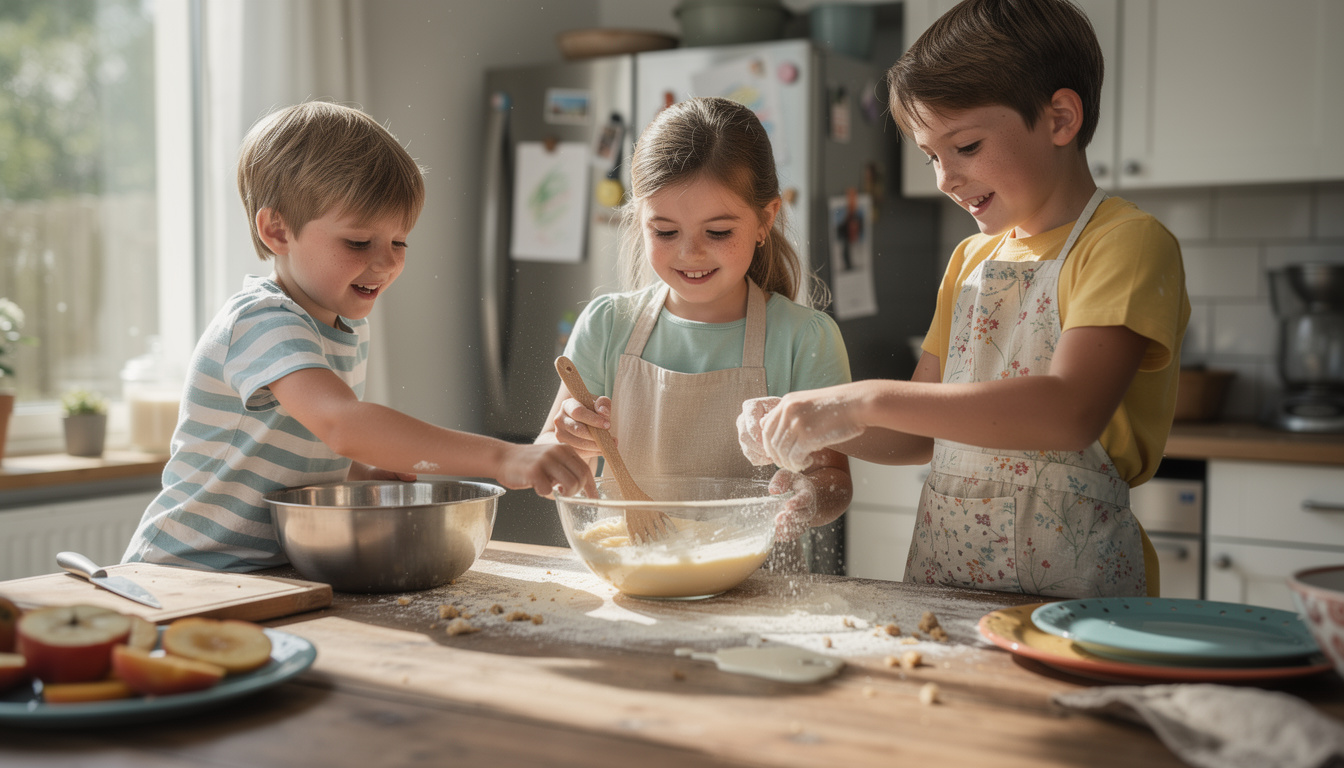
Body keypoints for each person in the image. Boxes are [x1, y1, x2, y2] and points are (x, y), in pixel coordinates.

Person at [740, 0, 1189, 599]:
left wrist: (859, 398)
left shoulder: (1125, 243)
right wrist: (810, 421)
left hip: (1080, 602)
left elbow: (1068, 412)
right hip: (947, 591)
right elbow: (923, 430)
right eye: (931, 156)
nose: (943, 179)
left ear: (1060, 118)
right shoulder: (971, 263)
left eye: (966, 146)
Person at [124, 101, 594, 572]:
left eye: (399, 242)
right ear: (277, 230)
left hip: (258, 575)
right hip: (181, 571)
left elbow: (297, 440)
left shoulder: (341, 328)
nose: (386, 262)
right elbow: (342, 425)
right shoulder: (262, 321)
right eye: (357, 242)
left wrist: (357, 472)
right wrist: (502, 457)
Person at [538, 96, 853, 551]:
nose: (690, 253)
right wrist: (570, 441)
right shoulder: (608, 325)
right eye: (665, 232)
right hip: (632, 575)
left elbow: (834, 480)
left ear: (766, 219)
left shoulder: (805, 339)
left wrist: (808, 495)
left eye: (718, 231)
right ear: (639, 221)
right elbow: (552, 462)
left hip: (754, 587)